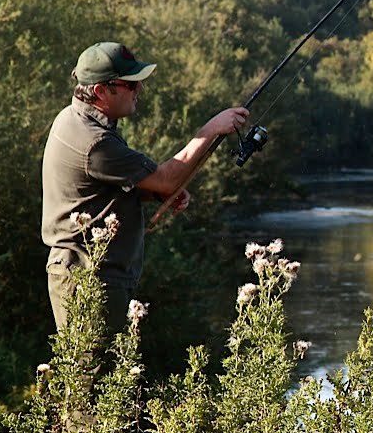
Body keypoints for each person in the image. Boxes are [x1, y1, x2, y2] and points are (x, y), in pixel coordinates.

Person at [41, 41, 250, 334]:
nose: (140, 90)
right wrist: (210, 130)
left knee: (110, 375)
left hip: (91, 274)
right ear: (101, 91)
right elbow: (167, 178)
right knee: (96, 377)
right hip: (89, 277)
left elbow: (101, 189)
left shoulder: (74, 120)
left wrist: (153, 192)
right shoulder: (95, 141)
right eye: (131, 84)